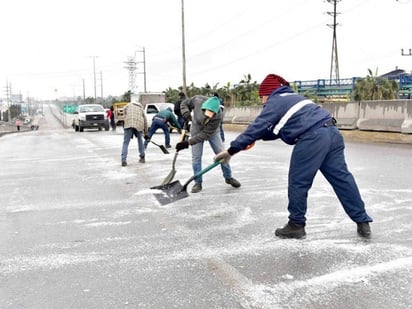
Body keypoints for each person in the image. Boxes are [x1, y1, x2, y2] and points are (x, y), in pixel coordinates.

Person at [214, 73, 373, 239]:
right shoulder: (294, 98)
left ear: (267, 93)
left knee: (298, 181)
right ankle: (362, 222)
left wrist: (231, 151)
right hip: (332, 133)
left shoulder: (275, 101)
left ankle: (296, 224)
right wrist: (256, 138)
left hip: (313, 138)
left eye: (262, 97)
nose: (263, 102)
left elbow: (258, 126)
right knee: (342, 179)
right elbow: (280, 127)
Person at [176, 95, 241, 193]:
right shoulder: (197, 100)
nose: (208, 116)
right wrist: (185, 112)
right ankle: (198, 182)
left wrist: (187, 143)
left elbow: (205, 134)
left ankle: (228, 177)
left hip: (212, 132)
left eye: (212, 114)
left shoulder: (219, 115)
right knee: (196, 157)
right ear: (203, 107)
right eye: (207, 113)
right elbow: (184, 103)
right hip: (196, 129)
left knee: (222, 154)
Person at [121, 101, 148, 166]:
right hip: (139, 124)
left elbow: (124, 115)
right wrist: (146, 133)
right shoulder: (141, 108)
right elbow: (145, 121)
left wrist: (125, 125)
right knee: (140, 141)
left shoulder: (127, 105)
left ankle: (123, 160)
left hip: (128, 123)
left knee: (125, 143)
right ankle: (142, 157)